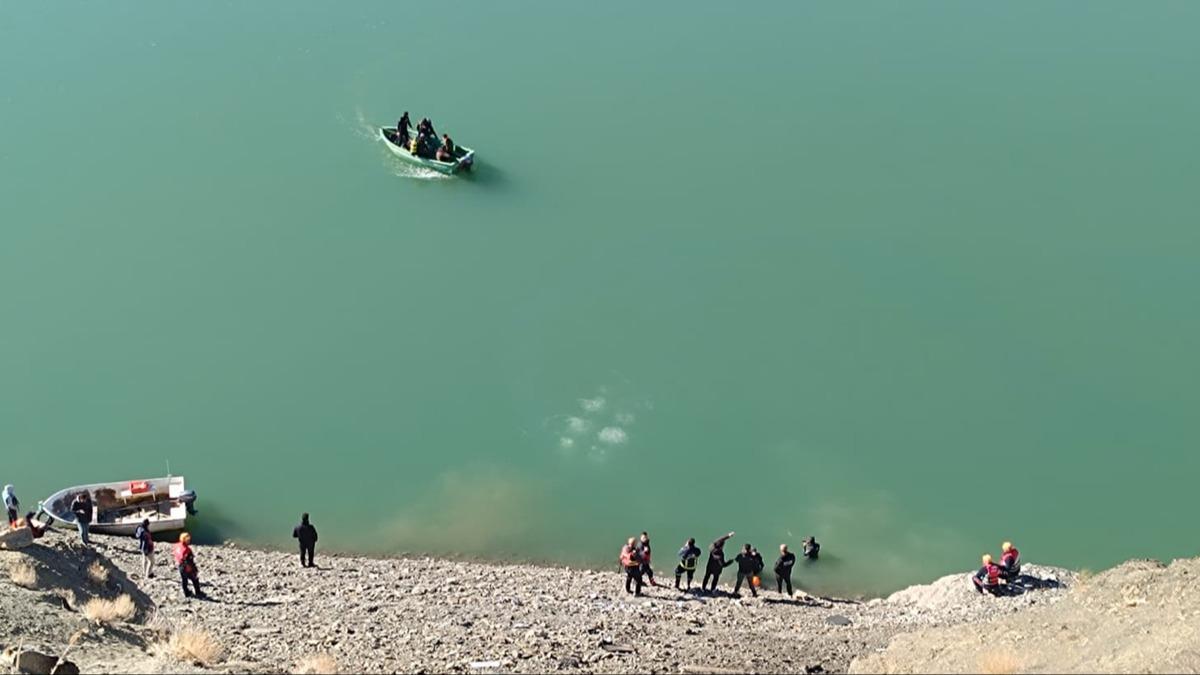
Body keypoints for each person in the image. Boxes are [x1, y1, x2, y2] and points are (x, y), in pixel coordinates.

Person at [174, 532, 204, 598]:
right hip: (187, 567)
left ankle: (186, 593)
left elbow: (176, 555)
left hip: (180, 566)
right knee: (195, 579)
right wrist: (193, 569)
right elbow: (189, 561)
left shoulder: (177, 545)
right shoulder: (187, 550)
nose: (189, 541)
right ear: (185, 540)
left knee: (184, 580)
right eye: (188, 540)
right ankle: (198, 592)